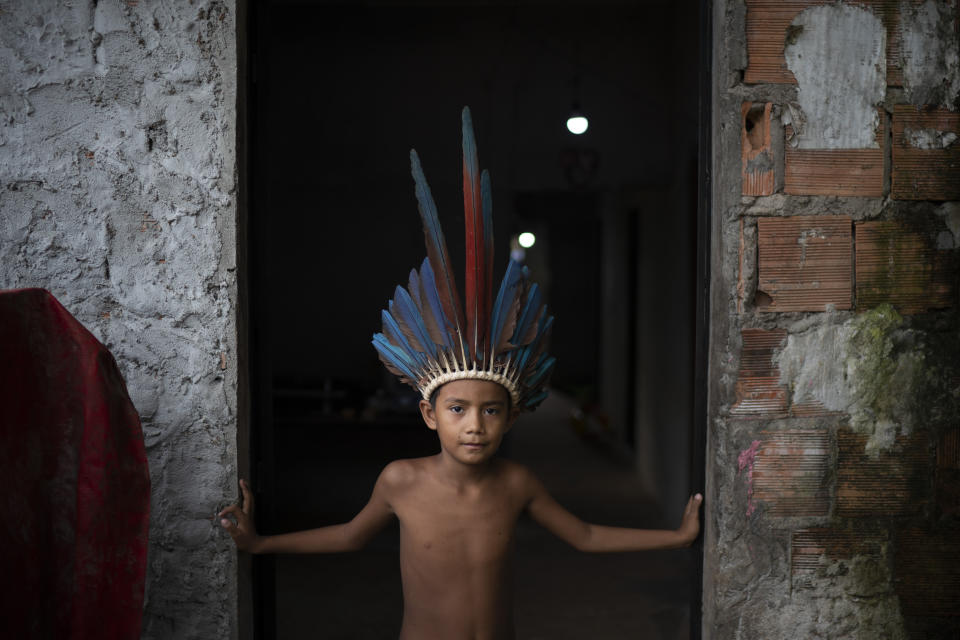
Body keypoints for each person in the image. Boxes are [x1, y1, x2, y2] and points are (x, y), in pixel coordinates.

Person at [220, 107, 702, 639]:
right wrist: (261, 544)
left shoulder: (516, 484)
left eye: (491, 410)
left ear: (512, 417)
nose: (475, 425)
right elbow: (350, 536)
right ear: (429, 414)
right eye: (458, 409)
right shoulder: (401, 480)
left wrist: (676, 538)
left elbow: (584, 535)